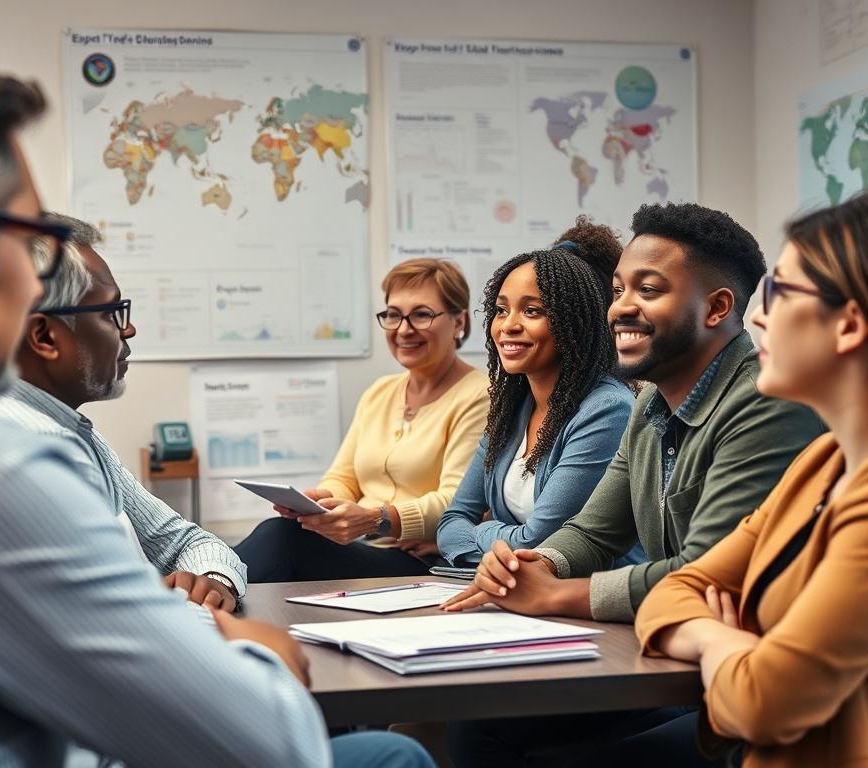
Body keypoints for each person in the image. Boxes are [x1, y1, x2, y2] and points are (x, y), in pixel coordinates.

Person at [0, 33, 431, 768]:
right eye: (34, 245)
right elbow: (267, 744)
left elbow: (181, 547)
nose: (27, 287)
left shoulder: (28, 442)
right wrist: (254, 647)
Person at [441, 202, 825, 767]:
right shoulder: (649, 403)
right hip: (676, 652)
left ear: (718, 307)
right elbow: (593, 534)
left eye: (648, 290)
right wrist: (537, 564)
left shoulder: (764, 403)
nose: (621, 308)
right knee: (479, 728)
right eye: (618, 289)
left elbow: (706, 571)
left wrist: (556, 593)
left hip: (749, 676)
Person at [633, 191, 868, 768]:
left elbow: (767, 702)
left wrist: (719, 642)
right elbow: (670, 594)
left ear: (850, 325)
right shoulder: (821, 462)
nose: (757, 316)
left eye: (779, 293)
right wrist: (731, 644)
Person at [0, 213, 246, 612]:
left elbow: (184, 541)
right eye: (110, 312)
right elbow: (110, 619)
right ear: (44, 336)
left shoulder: (79, 435)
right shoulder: (29, 451)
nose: (128, 330)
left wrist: (213, 582)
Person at [236, 258, 488, 581]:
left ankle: (203, 594)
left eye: (422, 315)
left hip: (423, 562)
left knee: (281, 541)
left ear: (459, 322)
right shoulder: (379, 392)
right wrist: (320, 506)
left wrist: (376, 519)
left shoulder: (480, 395)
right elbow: (344, 478)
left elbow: (456, 501)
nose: (403, 329)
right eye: (393, 315)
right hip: (366, 546)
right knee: (285, 530)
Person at [437, 218, 634, 565]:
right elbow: (451, 524)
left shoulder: (608, 409)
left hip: (589, 599)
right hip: (515, 591)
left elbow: (541, 540)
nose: (509, 325)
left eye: (532, 311)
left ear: (573, 322)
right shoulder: (513, 410)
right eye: (501, 310)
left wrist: (484, 532)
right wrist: (496, 550)